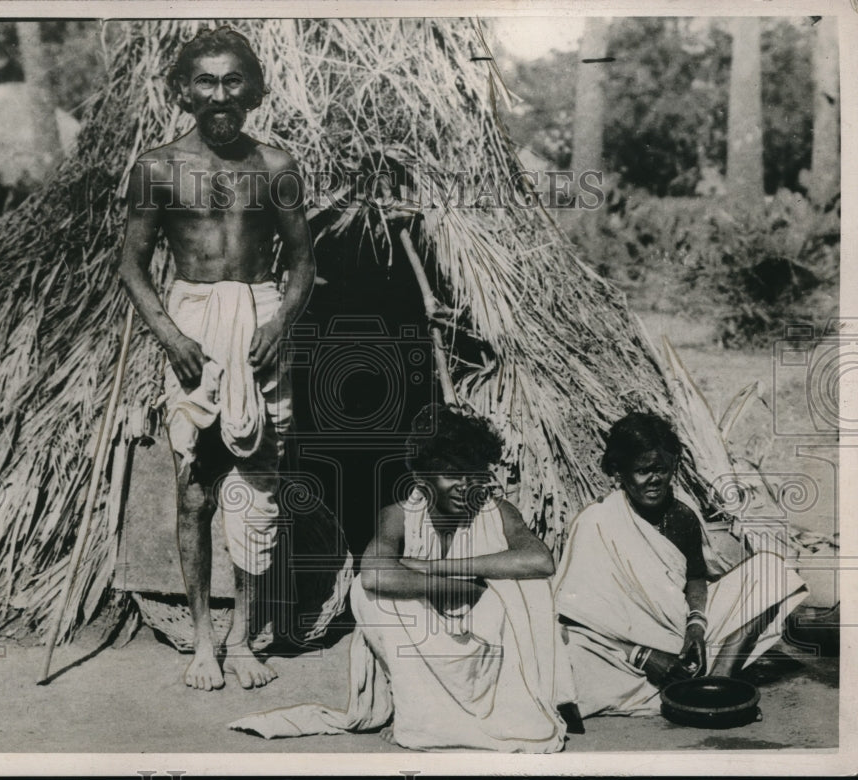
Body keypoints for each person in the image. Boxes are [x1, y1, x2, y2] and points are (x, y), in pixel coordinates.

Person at [115, 27, 316, 691]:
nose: (221, 95)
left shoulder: (276, 166)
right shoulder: (158, 166)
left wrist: (280, 321)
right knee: (195, 486)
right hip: (192, 318)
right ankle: (204, 641)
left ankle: (246, 637)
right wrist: (171, 336)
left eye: (234, 81)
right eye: (207, 81)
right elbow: (134, 265)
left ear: (253, 91)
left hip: (259, 318)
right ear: (184, 91)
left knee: (257, 489)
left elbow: (303, 263)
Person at [230, 405, 574, 752]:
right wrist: (463, 588)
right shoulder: (398, 516)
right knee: (368, 597)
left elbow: (540, 560)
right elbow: (375, 574)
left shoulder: (496, 511)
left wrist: (436, 567)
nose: (464, 486)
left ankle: (474, 715)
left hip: (487, 652)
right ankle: (421, 716)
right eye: (451, 475)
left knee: (530, 585)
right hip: (426, 642)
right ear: (422, 479)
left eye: (472, 474)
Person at [553, 411, 808, 718]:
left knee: (770, 571)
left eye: (661, 469)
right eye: (643, 470)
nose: (655, 479)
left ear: (673, 465)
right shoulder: (595, 522)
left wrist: (697, 628)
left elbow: (697, 579)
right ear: (619, 472)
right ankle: (680, 683)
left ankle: (719, 678)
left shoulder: (682, 516)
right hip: (622, 649)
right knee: (566, 650)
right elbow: (573, 617)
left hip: (685, 635)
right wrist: (641, 654)